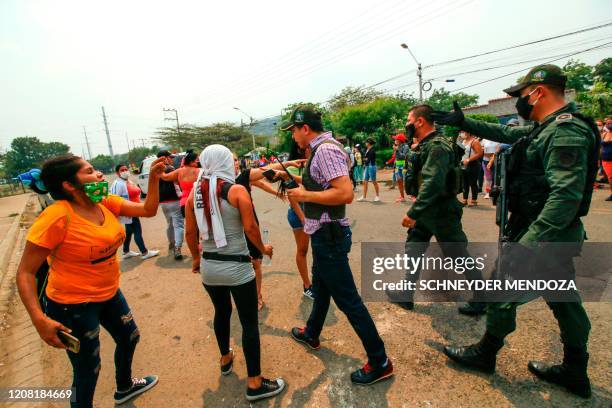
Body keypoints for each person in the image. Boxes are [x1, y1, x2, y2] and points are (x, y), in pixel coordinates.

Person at [434, 64, 599, 398]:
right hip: (547, 232)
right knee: (563, 298)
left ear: (538, 92)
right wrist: (463, 122)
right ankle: (575, 370)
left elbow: (565, 198)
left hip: (544, 233)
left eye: (521, 96)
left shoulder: (566, 132)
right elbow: (506, 135)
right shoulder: (545, 128)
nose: (519, 103)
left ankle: (486, 353)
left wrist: (529, 244)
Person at [16, 154, 165, 407]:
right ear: (69, 185)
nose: (98, 175)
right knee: (88, 369)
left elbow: (148, 210)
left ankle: (125, 386)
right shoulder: (56, 217)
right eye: (90, 171)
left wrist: (153, 179)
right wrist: (39, 319)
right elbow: (26, 272)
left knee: (130, 337)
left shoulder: (104, 202)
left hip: (109, 294)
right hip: (71, 305)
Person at [280, 104, 393, 385]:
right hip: (324, 235)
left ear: (304, 128)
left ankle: (380, 361)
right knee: (321, 287)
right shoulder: (320, 150)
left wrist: (304, 192)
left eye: (293, 130)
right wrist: (292, 180)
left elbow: (344, 193)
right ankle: (312, 332)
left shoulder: (326, 149)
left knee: (349, 301)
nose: (292, 136)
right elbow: (320, 184)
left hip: (329, 236)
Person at [184, 145, 285, 402]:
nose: (235, 164)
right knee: (249, 323)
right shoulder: (236, 190)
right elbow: (250, 228)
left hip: (210, 268)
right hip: (238, 267)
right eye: (231, 160)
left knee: (221, 312)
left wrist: (196, 259)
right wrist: (264, 249)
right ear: (224, 164)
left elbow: (189, 234)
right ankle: (255, 383)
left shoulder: (194, 194)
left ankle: (226, 359)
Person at [389, 105, 484, 315]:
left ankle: (482, 297)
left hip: (441, 209)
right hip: (427, 207)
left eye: (408, 120)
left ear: (420, 122)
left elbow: (433, 182)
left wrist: (413, 212)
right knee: (414, 246)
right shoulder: (425, 145)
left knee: (457, 253)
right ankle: (406, 293)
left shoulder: (437, 146)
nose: (407, 125)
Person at [110, 164, 159, 260]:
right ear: (117, 173)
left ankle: (126, 251)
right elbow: (114, 199)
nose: (125, 171)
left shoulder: (128, 181)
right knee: (137, 231)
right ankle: (144, 252)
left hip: (135, 210)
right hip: (129, 212)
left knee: (129, 232)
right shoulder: (118, 184)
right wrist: (122, 213)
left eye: (125, 169)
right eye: (122, 170)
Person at [285, 142, 315, 300]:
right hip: (299, 214)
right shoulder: (291, 169)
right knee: (302, 250)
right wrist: (304, 219)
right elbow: (292, 198)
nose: (311, 150)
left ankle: (317, 282)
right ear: (299, 150)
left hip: (314, 212)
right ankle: (307, 286)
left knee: (318, 249)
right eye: (308, 148)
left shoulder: (313, 165)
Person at [156, 150, 184, 260]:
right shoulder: (170, 169)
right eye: (170, 157)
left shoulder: (155, 170)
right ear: (165, 158)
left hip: (163, 202)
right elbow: (177, 182)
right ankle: (177, 248)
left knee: (170, 224)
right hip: (174, 200)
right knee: (178, 225)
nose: (172, 159)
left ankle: (171, 243)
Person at [160, 149, 200, 217]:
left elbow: (165, 177)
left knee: (188, 226)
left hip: (184, 204)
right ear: (191, 161)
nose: (198, 161)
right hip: (198, 203)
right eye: (197, 160)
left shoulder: (179, 171)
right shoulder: (199, 172)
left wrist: (160, 167)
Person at [457, 131, 483, 206]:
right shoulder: (463, 140)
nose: (462, 133)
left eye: (464, 132)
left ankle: (474, 199)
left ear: (469, 132)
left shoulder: (475, 141)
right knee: (464, 182)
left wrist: (469, 160)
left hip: (473, 164)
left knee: (473, 182)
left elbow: (479, 153)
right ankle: (464, 199)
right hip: (463, 163)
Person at [357, 138, 381, 202]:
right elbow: (365, 159)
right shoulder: (367, 149)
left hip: (371, 167)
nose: (365, 143)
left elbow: (368, 159)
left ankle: (377, 196)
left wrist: (365, 160)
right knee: (365, 182)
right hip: (367, 166)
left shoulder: (372, 150)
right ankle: (364, 197)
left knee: (374, 181)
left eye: (366, 142)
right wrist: (365, 160)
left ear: (369, 143)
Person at [391, 133, 411, 203]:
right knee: (399, 181)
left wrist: (397, 150)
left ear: (400, 140)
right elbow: (396, 158)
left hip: (404, 166)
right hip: (397, 166)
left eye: (396, 139)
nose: (395, 140)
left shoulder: (406, 146)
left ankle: (412, 195)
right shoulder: (397, 146)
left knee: (406, 182)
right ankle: (402, 197)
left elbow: (403, 156)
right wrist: (394, 166)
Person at [601, 118, 612, 201]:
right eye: (607, 123)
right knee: (610, 178)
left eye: (610, 123)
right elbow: (600, 147)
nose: (608, 125)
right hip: (606, 159)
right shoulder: (604, 133)